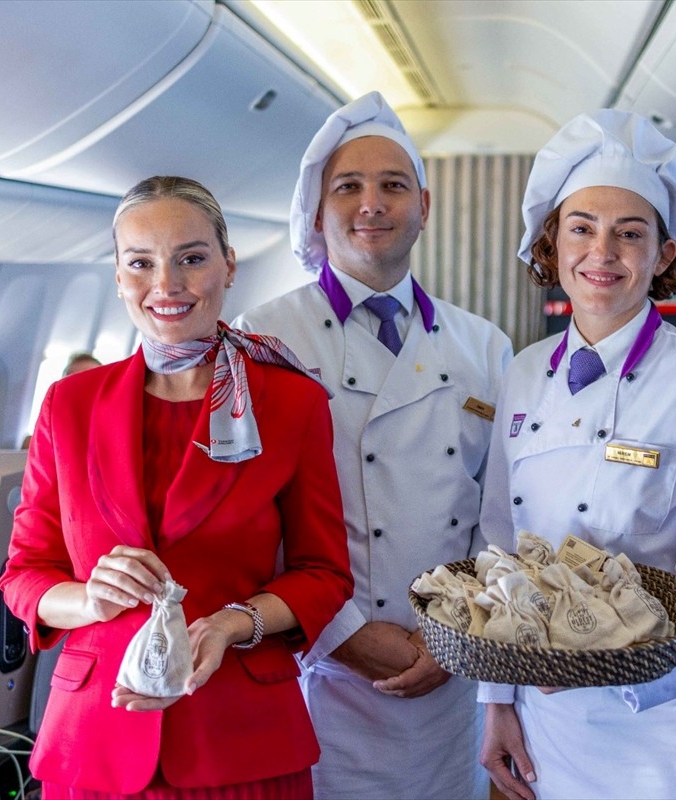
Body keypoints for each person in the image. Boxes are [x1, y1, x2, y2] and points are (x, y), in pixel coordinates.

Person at [0, 176, 353, 798]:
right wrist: (87, 600)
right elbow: (25, 575)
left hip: (239, 737)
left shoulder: (291, 402)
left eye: (191, 258)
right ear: (117, 276)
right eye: (141, 263)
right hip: (96, 740)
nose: (166, 286)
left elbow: (322, 573)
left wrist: (230, 624)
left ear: (228, 265)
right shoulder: (68, 406)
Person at [235, 92, 513, 800]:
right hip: (324, 672)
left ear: (423, 203)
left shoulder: (483, 343)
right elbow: (250, 516)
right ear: (317, 210)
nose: (372, 203)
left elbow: (501, 512)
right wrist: (345, 637)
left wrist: (459, 638)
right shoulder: (265, 335)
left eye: (393, 185)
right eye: (348, 186)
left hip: (453, 671)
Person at [477, 109, 676, 800]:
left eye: (629, 234)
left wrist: (614, 668)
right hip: (548, 728)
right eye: (582, 228)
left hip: (665, 738)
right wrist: (497, 699)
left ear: (662, 256)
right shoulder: (522, 372)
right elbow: (497, 544)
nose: (601, 252)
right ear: (553, 243)